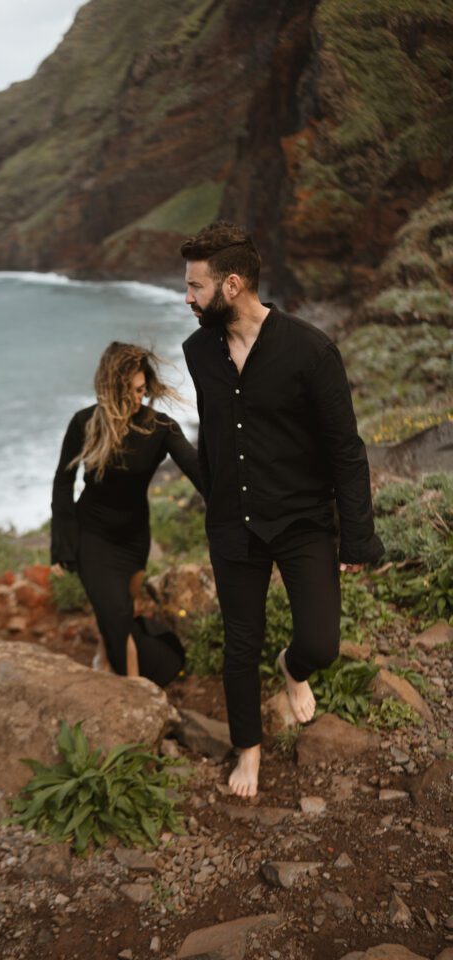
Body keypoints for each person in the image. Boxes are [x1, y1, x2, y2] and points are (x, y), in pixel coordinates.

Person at [180, 220, 384, 798]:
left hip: (302, 521)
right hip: (233, 524)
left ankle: (292, 670)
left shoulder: (311, 350)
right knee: (239, 645)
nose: (187, 298)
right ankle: (248, 751)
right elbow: (215, 434)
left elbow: (346, 449)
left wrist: (357, 539)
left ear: (234, 284)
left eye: (195, 287)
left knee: (319, 643)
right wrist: (213, 501)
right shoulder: (198, 352)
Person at [50, 341, 201, 684]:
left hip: (134, 538)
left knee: (121, 613)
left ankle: (106, 651)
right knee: (117, 614)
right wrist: (63, 542)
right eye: (131, 391)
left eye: (142, 390)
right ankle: (134, 689)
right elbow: (63, 481)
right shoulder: (85, 423)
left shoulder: (158, 427)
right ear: (110, 388)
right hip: (94, 535)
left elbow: (197, 470)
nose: (138, 398)